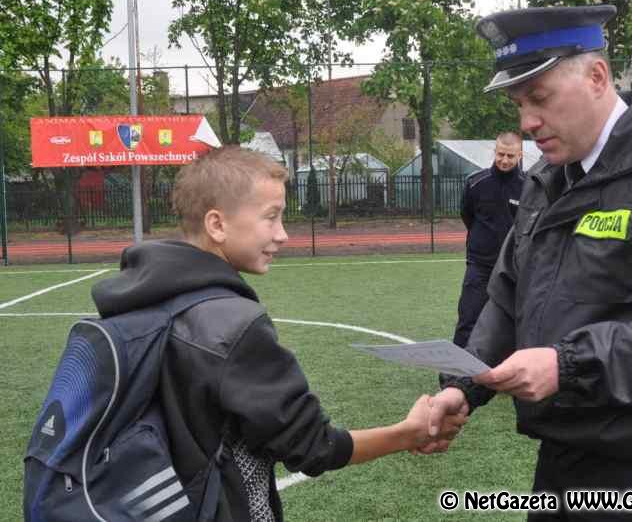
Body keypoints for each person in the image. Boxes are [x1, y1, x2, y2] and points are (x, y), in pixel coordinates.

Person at [428, 5, 632, 522]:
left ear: (597, 76)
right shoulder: (546, 180)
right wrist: (464, 385)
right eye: (518, 104)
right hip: (562, 453)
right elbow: (507, 298)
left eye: (539, 98)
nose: (527, 122)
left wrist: (566, 365)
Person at [90, 146, 465, 522]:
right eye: (271, 217)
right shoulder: (233, 326)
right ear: (217, 225)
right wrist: (409, 433)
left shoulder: (134, 300)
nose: (283, 234)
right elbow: (314, 446)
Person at [453, 132, 525, 348]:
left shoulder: (528, 186)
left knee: (515, 323)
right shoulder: (476, 183)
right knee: (468, 319)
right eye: (501, 154)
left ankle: (508, 368)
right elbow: (467, 215)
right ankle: (459, 368)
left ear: (520, 155)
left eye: (510, 156)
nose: (505, 160)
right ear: (495, 152)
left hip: (513, 268)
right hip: (480, 265)